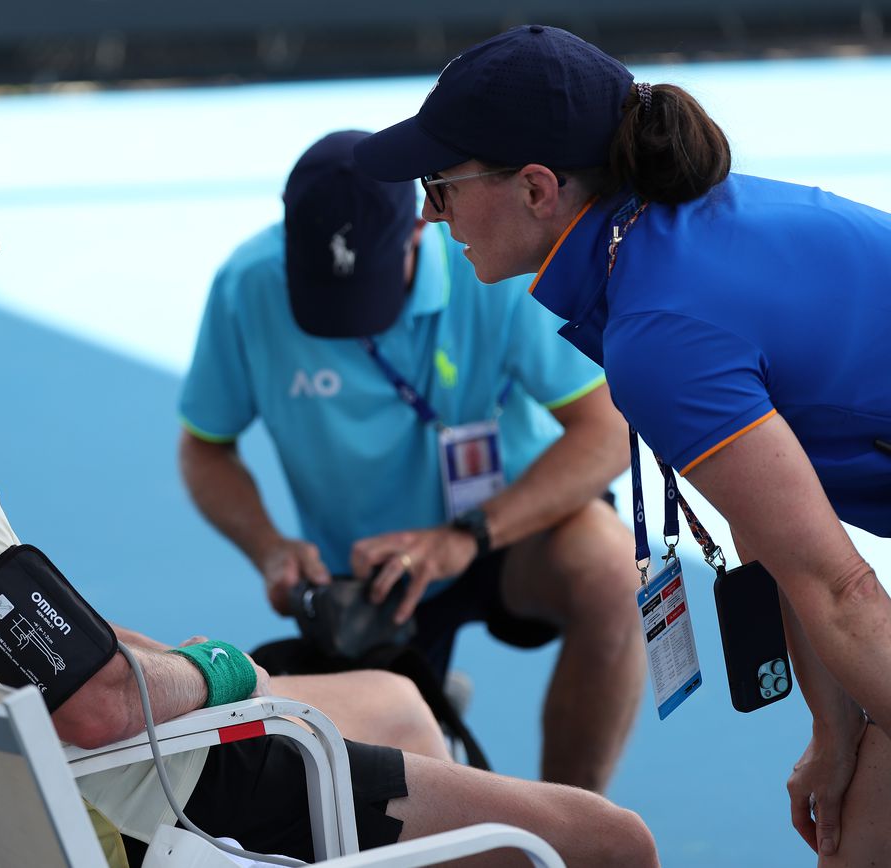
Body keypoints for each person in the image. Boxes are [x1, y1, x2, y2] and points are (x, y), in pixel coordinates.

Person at [0, 85, 659, 868]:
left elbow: (18, 631)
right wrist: (220, 668)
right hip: (131, 802)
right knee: (608, 842)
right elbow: (99, 705)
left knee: (398, 701)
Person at [353, 23, 891, 865]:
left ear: (537, 188)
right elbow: (780, 541)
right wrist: (835, 731)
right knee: (861, 828)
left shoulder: (659, 326)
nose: (427, 210)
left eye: (441, 181)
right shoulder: (669, 239)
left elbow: (844, 590)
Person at [179, 129, 644, 793]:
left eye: (367, 287)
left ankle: (573, 824)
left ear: (422, 228)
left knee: (611, 572)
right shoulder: (248, 283)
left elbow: (605, 428)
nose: (355, 323)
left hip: (504, 527)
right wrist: (271, 549)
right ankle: (427, 695)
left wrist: (468, 536)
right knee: (369, 796)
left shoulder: (491, 262)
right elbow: (204, 447)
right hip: (366, 572)